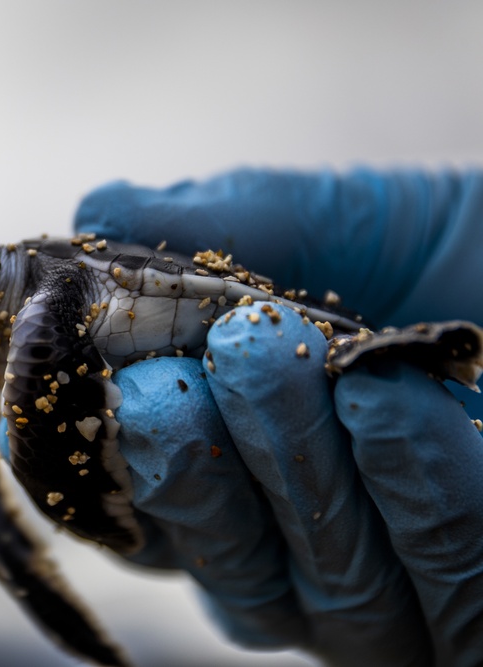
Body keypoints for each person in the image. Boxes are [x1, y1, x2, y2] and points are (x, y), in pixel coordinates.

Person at [72, 169, 483, 665]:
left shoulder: (46, 307)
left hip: (269, 328)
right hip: (249, 369)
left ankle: (422, 354)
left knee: (337, 371)